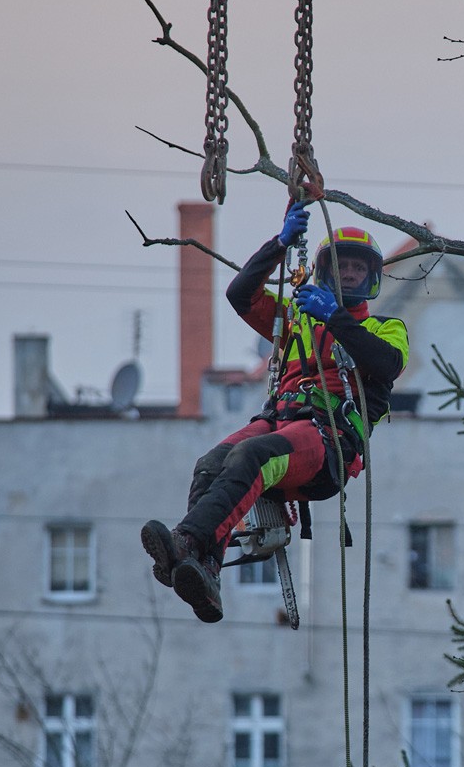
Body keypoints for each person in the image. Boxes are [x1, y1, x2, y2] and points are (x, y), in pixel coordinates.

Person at [141, 201, 409, 622]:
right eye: (342, 266)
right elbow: (240, 294)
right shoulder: (297, 321)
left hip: (328, 441)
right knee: (210, 464)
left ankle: (187, 542)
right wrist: (280, 245)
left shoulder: (384, 329)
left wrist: (335, 317)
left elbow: (387, 364)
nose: (349, 273)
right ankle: (205, 571)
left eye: (358, 268)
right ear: (324, 272)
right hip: (281, 421)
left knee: (253, 455)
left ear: (371, 278)